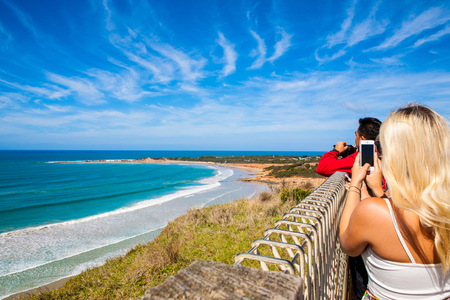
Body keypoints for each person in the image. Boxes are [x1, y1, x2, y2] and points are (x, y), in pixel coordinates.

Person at [340, 104, 450, 299]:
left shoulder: (372, 211)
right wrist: (376, 190)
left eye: (381, 145)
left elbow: (348, 245)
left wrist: (356, 184)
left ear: (398, 153)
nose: (378, 152)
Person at [316, 117, 381, 177]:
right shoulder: (382, 154)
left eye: (356, 135)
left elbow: (322, 167)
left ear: (362, 139)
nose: (355, 139)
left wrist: (336, 151)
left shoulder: (361, 158)